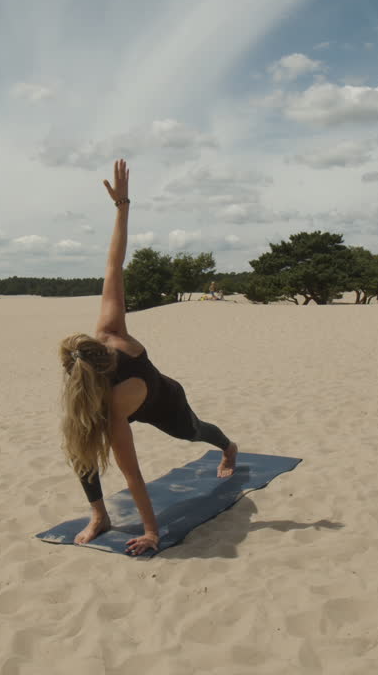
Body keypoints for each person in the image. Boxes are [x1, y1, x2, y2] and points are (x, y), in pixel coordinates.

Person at [59, 159, 238, 556]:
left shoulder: (114, 386)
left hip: (165, 401)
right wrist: (121, 207)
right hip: (121, 402)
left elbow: (132, 475)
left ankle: (229, 447)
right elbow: (113, 263)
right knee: (79, 442)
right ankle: (99, 516)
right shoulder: (102, 342)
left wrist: (152, 533)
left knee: (193, 431)